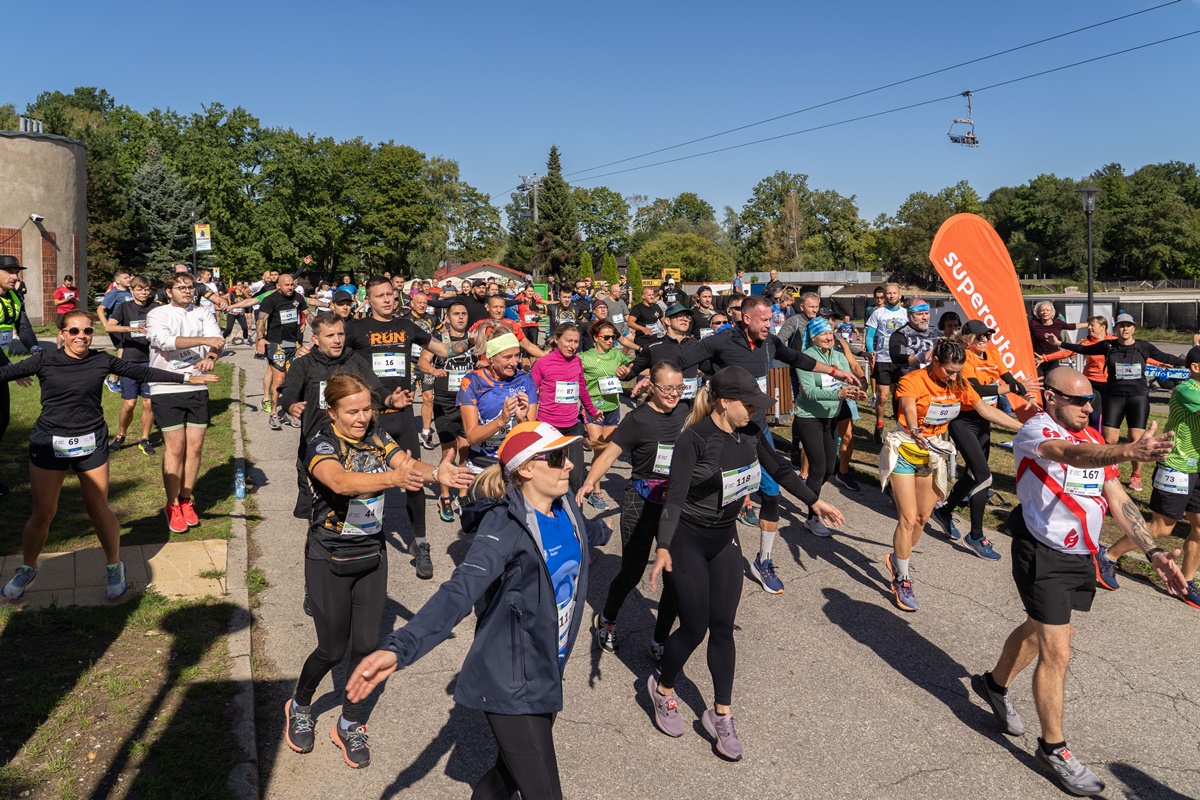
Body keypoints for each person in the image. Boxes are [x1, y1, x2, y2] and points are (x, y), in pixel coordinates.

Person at [346, 421, 611, 798]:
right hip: (511, 677)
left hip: (548, 664)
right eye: (556, 458)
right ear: (526, 469)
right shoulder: (503, 525)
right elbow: (459, 591)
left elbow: (586, 536)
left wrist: (621, 532)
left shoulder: (565, 507)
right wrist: (400, 646)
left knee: (507, 776)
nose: (568, 465)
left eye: (566, 456)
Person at [970, 366, 1186, 797]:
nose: (1089, 407)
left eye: (1092, 400)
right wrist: (1127, 451)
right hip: (1041, 552)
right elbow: (1067, 455)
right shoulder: (1036, 431)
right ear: (1051, 398)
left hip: (1080, 555)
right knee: (1058, 650)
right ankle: (1053, 749)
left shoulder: (1092, 439)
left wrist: (1155, 552)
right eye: (1079, 400)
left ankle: (993, 685)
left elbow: (1117, 498)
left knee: (1038, 628)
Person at [646, 367, 844, 760]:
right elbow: (673, 498)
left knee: (722, 627)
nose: (756, 411)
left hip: (724, 538)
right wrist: (664, 546)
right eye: (749, 404)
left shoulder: (751, 433)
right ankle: (662, 688)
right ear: (724, 402)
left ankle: (721, 715)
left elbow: (781, 469)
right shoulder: (694, 439)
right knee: (695, 627)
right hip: (687, 539)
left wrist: (813, 501)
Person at [284, 372, 470, 769]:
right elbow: (340, 481)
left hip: (370, 554)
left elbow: (406, 461)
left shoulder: (377, 435)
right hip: (329, 557)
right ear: (331, 411)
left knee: (367, 646)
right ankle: (300, 703)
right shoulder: (321, 442)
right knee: (332, 649)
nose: (362, 417)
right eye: (352, 411)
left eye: (367, 408)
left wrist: (439, 473)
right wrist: (394, 479)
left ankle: (349, 722)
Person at [0, 310, 217, 602]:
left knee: (98, 507)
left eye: (88, 331)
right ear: (61, 334)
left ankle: (115, 565)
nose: (82, 337)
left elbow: (144, 372)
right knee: (43, 513)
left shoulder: (101, 360)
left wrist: (186, 378)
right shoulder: (43, 359)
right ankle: (28, 567)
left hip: (91, 442)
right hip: (49, 442)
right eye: (74, 331)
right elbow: (4, 373)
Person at [673, 294, 859, 594]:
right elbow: (682, 360)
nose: (770, 324)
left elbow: (799, 359)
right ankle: (690, 548)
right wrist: (653, 378)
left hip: (756, 429)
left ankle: (764, 559)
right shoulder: (722, 341)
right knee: (710, 492)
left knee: (772, 492)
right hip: (721, 427)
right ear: (745, 318)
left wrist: (837, 372)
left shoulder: (770, 342)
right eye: (764, 320)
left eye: (772, 319)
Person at [344, 278, 472, 579]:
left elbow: (443, 349)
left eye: (390, 294)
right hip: (370, 418)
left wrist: (475, 341)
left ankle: (420, 543)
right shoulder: (357, 329)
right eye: (380, 296)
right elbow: (334, 354)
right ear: (369, 299)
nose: (387, 300)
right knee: (367, 483)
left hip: (402, 415)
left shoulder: (407, 326)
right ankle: (362, 545)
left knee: (413, 478)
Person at [881, 339, 1021, 611]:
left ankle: (898, 559)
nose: (954, 377)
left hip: (932, 454)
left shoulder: (959, 384)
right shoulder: (913, 380)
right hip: (905, 449)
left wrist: (1023, 428)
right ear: (934, 361)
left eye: (958, 371)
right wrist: (914, 428)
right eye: (949, 371)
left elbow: (986, 410)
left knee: (923, 517)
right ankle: (903, 578)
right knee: (908, 518)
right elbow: (909, 407)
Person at [580, 362, 686, 659]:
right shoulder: (637, 419)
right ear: (651, 385)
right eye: (666, 388)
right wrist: (590, 482)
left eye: (678, 388)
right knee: (632, 570)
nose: (673, 394)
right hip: (640, 503)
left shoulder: (687, 413)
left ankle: (660, 639)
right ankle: (607, 620)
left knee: (674, 575)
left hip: (675, 505)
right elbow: (610, 453)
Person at [1097, 347, 1200, 606]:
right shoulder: (1186, 390)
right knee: (1162, 528)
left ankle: (1185, 582)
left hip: (1197, 468)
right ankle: (1107, 556)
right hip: (1175, 467)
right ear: (1196, 367)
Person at [1049, 313, 1186, 493]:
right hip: (1114, 397)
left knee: (1135, 439)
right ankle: (1110, 471)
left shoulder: (1143, 347)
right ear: (1116, 329)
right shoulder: (1108, 345)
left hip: (1137, 398)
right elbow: (1085, 350)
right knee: (1109, 439)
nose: (1125, 329)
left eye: (1128, 325)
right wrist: (1060, 344)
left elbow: (1166, 357)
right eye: (1121, 326)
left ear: (1134, 328)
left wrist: (1191, 362)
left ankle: (1136, 476)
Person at [935, 320, 1039, 558]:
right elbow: (976, 391)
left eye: (988, 336)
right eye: (980, 337)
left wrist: (1028, 397)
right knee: (984, 476)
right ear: (967, 338)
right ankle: (976, 535)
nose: (985, 340)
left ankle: (945, 511)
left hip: (984, 420)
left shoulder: (992, 354)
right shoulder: (964, 357)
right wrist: (1011, 389)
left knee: (974, 474)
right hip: (962, 420)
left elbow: (1010, 379)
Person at [146, 271, 226, 533]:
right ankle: (172, 504)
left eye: (190, 287)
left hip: (198, 384)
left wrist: (211, 357)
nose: (187, 291)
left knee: (195, 447)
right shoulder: (158, 314)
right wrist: (204, 341)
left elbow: (218, 341)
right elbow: (164, 342)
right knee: (175, 448)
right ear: (168, 292)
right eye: (181, 288)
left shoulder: (203, 312)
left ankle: (186, 499)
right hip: (166, 387)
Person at [795, 317, 868, 536]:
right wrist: (838, 394)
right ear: (813, 337)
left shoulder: (838, 356)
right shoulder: (806, 357)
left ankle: (809, 495)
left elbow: (845, 382)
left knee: (828, 468)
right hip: (809, 416)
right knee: (818, 468)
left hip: (831, 416)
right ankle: (813, 516)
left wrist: (856, 393)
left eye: (830, 333)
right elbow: (808, 391)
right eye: (823, 334)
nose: (829, 337)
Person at [416, 300, 477, 522]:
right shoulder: (439, 340)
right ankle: (444, 496)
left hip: (469, 402)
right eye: (456, 314)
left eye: (463, 313)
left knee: (465, 449)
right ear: (448, 318)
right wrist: (434, 370)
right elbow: (422, 362)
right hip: (445, 402)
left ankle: (462, 493)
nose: (460, 317)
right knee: (448, 453)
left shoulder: (473, 340)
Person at [531, 323, 602, 495]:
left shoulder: (577, 361)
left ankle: (575, 517)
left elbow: (582, 389)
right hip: (550, 428)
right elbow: (531, 391)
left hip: (572, 427)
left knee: (576, 476)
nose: (572, 346)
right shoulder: (543, 363)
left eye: (576, 342)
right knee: (553, 474)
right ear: (556, 339)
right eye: (568, 341)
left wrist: (592, 411)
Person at [458, 330, 539, 470]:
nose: (514, 362)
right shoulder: (472, 381)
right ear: (491, 358)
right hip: (482, 463)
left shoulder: (525, 380)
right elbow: (471, 437)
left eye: (517, 355)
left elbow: (530, 435)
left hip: (515, 460)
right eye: (507, 357)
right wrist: (502, 420)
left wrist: (522, 420)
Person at [0, 255, 42, 498]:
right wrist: (11, 367)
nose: (16, 276)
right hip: (3, 367)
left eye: (17, 272)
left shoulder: (15, 297)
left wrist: (36, 350)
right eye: (10, 271)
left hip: (1, 370)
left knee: (2, 421)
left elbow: (23, 327)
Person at [104, 275, 160, 454]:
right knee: (129, 403)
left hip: (150, 361)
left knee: (148, 403)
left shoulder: (156, 308)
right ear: (132, 291)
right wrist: (131, 329)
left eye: (146, 289)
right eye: (139, 289)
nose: (143, 293)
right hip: (129, 361)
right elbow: (109, 327)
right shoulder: (124, 307)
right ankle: (121, 435)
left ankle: (144, 438)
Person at [578, 319, 631, 484]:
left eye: (613, 337)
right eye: (606, 337)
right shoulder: (584, 357)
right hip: (593, 407)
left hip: (613, 407)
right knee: (599, 452)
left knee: (606, 450)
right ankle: (595, 491)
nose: (610, 341)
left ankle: (585, 438)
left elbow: (632, 367)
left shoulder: (616, 354)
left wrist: (626, 371)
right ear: (595, 338)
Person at [255, 273, 310, 427]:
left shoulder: (297, 298)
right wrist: (260, 339)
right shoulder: (270, 300)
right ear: (278, 286)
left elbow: (308, 314)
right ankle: (273, 413)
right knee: (279, 379)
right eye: (287, 285)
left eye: (292, 285)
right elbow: (261, 320)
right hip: (275, 344)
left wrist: (321, 331)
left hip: (293, 344)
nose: (290, 288)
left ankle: (289, 411)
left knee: (293, 380)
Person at [623, 303, 706, 404]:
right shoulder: (654, 347)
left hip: (689, 407)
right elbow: (632, 370)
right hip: (662, 407)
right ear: (667, 321)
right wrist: (623, 373)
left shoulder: (696, 345)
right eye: (679, 316)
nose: (685, 319)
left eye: (687, 317)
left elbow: (708, 368)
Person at [865, 283, 909, 443]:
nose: (891, 296)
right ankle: (879, 424)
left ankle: (900, 427)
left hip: (901, 361)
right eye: (888, 293)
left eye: (894, 293)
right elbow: (870, 334)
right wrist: (871, 351)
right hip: (883, 359)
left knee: (900, 396)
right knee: (883, 397)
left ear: (900, 294)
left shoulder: (906, 314)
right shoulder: (878, 313)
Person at [1028, 301, 1086, 377]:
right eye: (1042, 310)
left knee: (1051, 381)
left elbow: (1072, 326)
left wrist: (1089, 324)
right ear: (1038, 313)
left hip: (1053, 357)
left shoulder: (1058, 323)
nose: (1045, 312)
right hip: (1038, 357)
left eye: (1047, 310)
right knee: (1039, 383)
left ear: (1052, 312)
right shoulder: (1033, 324)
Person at [1079, 315, 1115, 430]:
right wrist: (1045, 358)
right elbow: (1066, 352)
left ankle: (1107, 437)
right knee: (1095, 415)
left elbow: (1139, 354)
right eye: (1088, 325)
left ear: (1103, 327)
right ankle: (1095, 439)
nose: (1089, 327)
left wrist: (1159, 363)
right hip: (1091, 382)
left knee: (1109, 414)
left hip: (1110, 382)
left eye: (1092, 325)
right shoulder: (1085, 342)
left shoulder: (1114, 341)